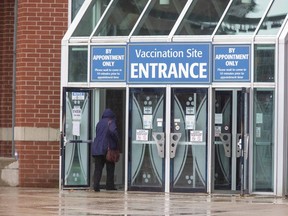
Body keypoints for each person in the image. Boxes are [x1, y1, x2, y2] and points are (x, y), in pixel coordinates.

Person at [91, 108, 119, 191]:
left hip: (97, 148)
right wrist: (117, 141)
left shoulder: (99, 123)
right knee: (110, 167)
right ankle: (110, 186)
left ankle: (96, 186)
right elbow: (113, 132)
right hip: (107, 148)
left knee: (98, 168)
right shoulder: (111, 122)